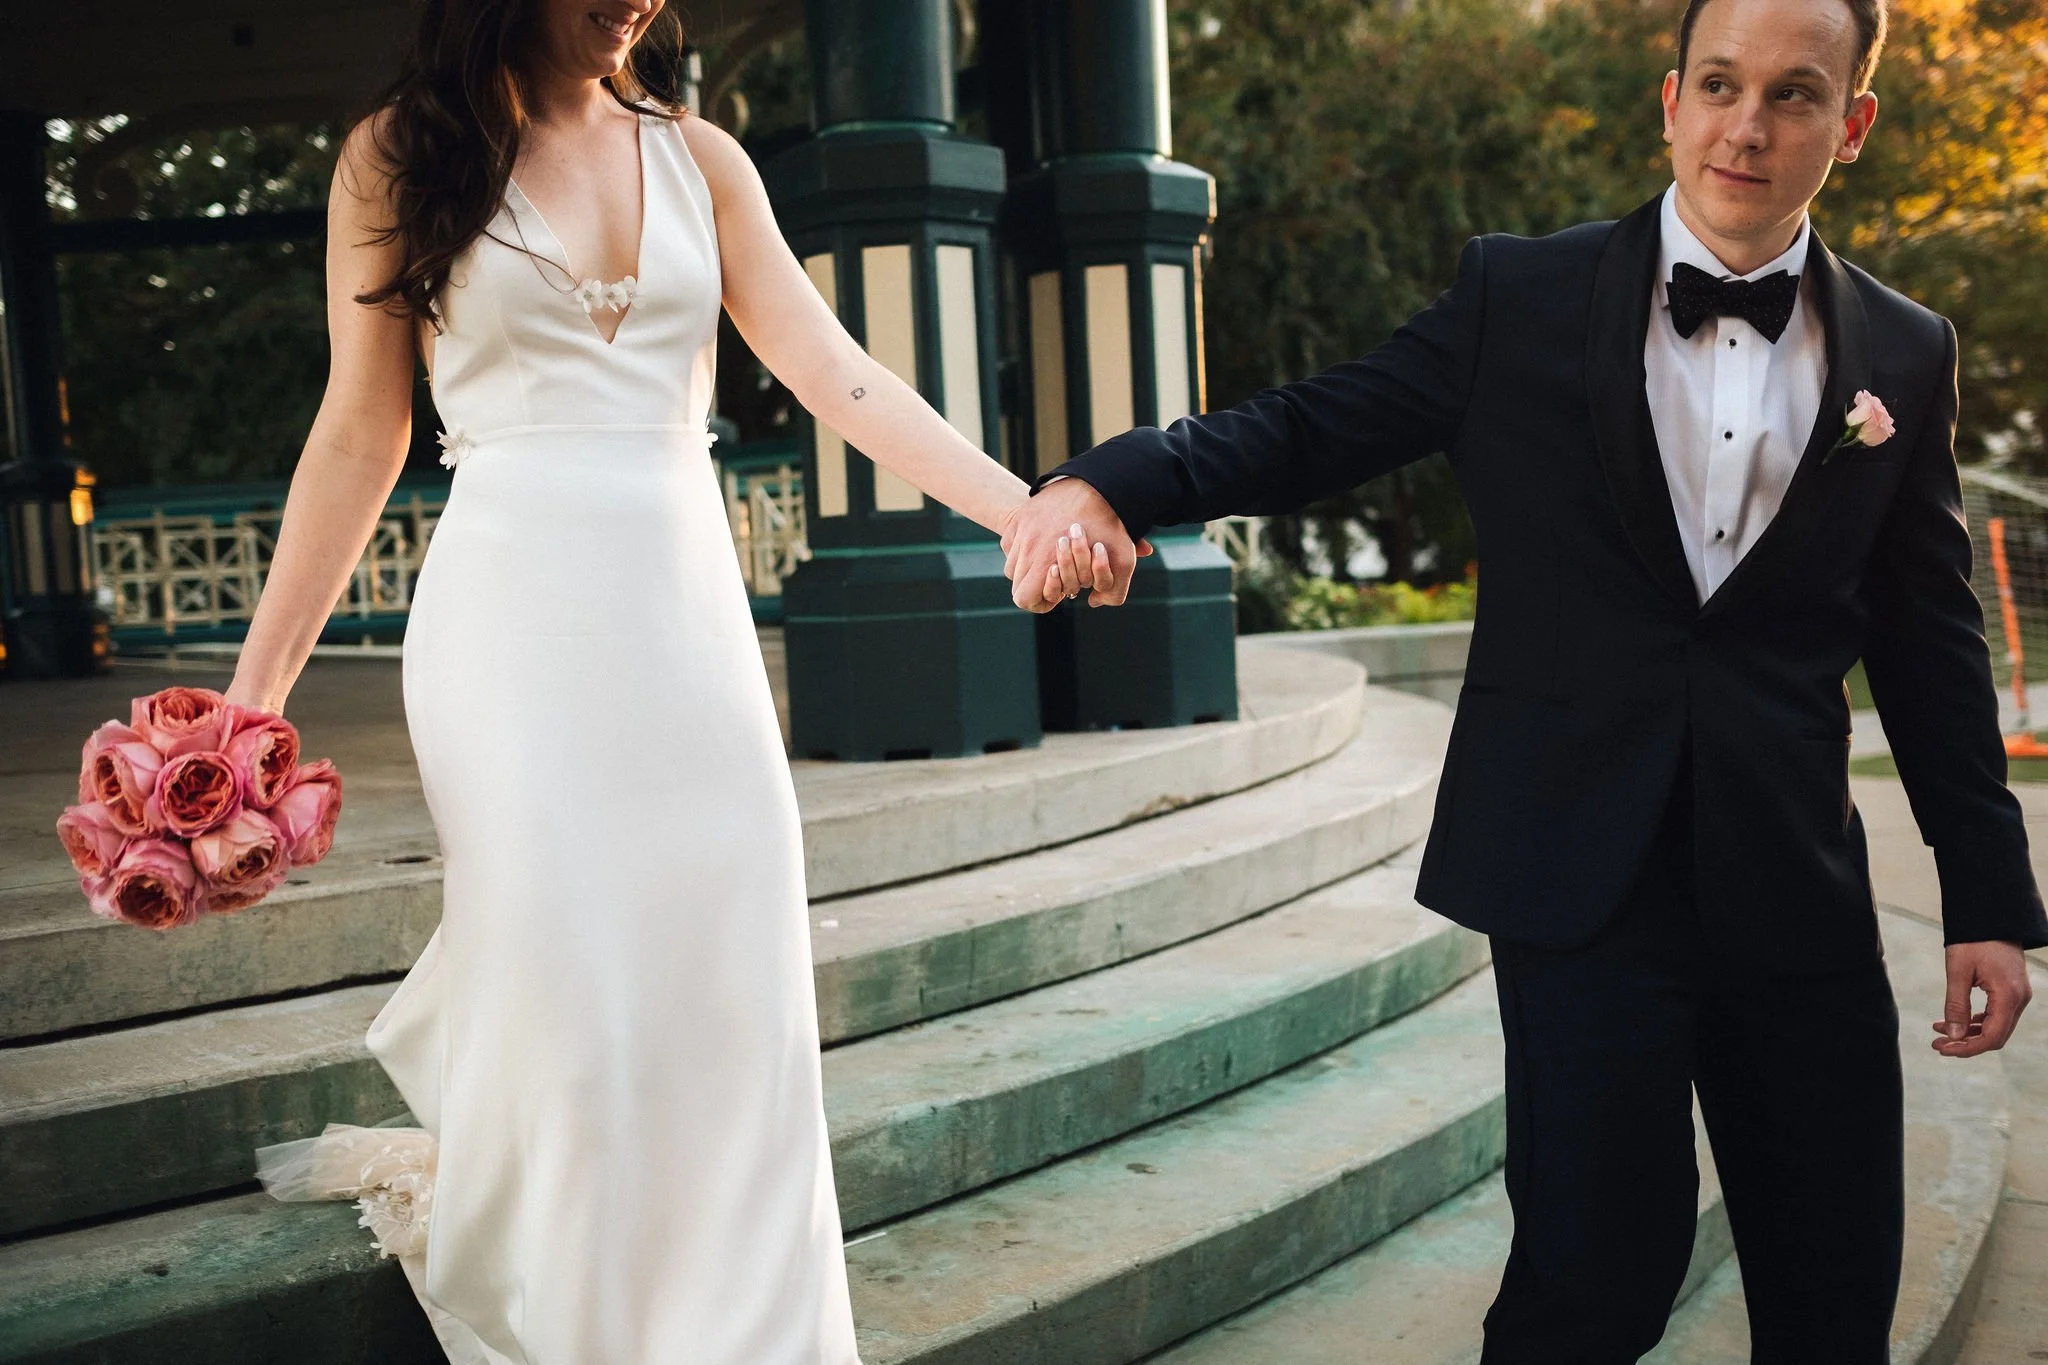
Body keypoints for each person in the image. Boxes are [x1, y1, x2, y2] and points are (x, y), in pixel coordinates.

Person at [1001, 0, 2045, 1357]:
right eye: (1720, 83)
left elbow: (1927, 635)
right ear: (1670, 98)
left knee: (1836, 1279)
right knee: (1593, 1279)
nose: (1747, 124)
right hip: (1577, 871)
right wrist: (1108, 481)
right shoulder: (1522, 295)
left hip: (1796, 879)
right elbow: (1314, 424)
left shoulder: (1905, 350)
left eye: (1794, 95)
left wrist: (1985, 891)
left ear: (1850, 126)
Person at [228, 1, 1113, 1359]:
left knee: (726, 976)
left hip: (685, 622)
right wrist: (254, 702)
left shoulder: (704, 157)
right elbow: (359, 431)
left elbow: (837, 373)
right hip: (510, 628)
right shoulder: (398, 153)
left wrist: (1029, 510)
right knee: (568, 979)